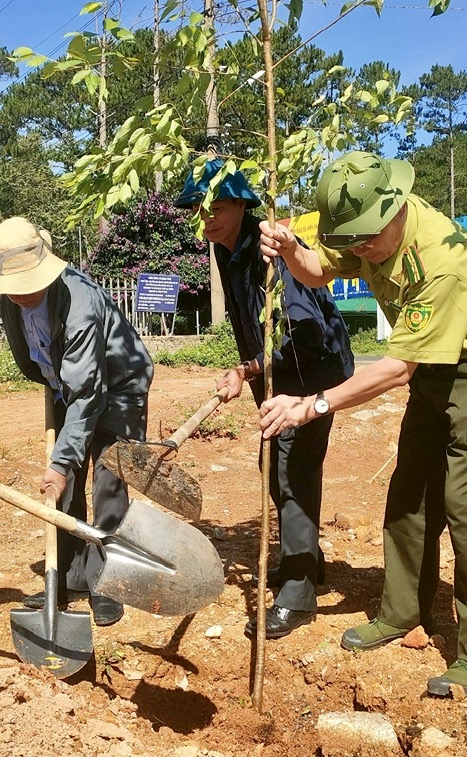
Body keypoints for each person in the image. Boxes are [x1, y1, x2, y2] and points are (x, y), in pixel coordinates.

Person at [257, 150, 467, 698]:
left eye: (365, 240)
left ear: (396, 209)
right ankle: (402, 613)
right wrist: (290, 250)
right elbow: (317, 270)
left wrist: (313, 404)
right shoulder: (367, 234)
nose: (358, 251)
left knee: (466, 502)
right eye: (350, 239)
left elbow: (396, 369)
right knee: (408, 493)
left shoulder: (441, 259)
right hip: (433, 363)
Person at [175, 161, 353, 639]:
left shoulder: (269, 250)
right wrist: (247, 368)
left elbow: (302, 332)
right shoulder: (225, 248)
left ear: (240, 205)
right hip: (275, 373)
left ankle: (297, 597)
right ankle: (306, 561)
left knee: (290, 469)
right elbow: (246, 322)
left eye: (215, 206)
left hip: (310, 372)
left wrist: (252, 367)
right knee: (273, 465)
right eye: (199, 208)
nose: (206, 216)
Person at [0, 216, 153, 628]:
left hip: (118, 387)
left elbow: (90, 393)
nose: (20, 295)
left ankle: (108, 581)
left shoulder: (80, 304)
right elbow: (34, 356)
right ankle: (71, 574)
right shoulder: (10, 297)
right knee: (66, 483)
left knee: (109, 479)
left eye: (28, 284)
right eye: (12, 288)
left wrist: (59, 461)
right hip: (64, 386)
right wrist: (61, 461)